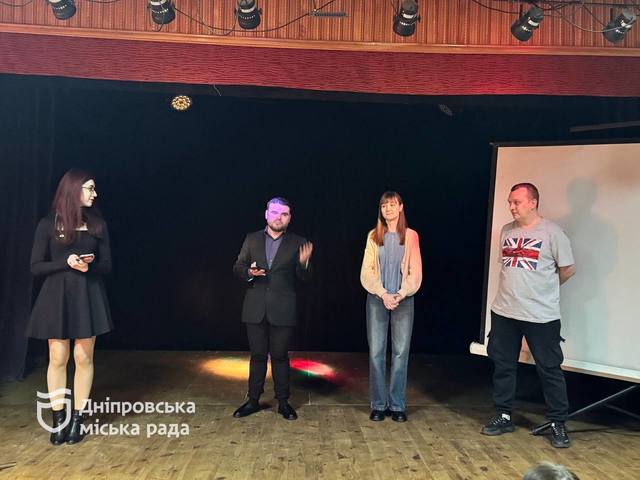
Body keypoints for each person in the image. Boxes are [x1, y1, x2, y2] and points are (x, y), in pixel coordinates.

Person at [482, 183, 576, 448]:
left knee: (549, 368)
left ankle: (557, 422)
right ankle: (503, 415)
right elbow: (508, 268)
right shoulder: (507, 231)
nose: (511, 207)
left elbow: (568, 269)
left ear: (533, 202)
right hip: (505, 311)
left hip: (541, 315)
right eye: (510, 202)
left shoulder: (553, 233)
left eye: (517, 202)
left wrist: (544, 290)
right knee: (504, 365)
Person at [27, 168, 113, 445]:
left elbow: (107, 265)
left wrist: (89, 266)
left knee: (84, 358)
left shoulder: (97, 224)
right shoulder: (48, 224)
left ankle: (78, 419)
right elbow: (36, 266)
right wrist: (65, 263)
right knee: (57, 358)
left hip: (87, 296)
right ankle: (58, 420)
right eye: (90, 188)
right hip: (56, 297)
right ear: (74, 189)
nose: (95, 194)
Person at [232, 197, 313, 421]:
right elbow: (238, 266)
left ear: (289, 218)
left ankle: (283, 402)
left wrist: (304, 263)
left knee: (279, 356)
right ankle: (253, 400)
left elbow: (306, 278)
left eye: (284, 214)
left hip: (283, 308)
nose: (279, 217)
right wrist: (249, 273)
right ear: (266, 214)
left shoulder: (298, 242)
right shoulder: (251, 239)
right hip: (255, 307)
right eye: (275, 212)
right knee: (258, 355)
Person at [360, 191, 422, 422]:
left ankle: (397, 405)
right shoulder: (373, 236)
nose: (388, 209)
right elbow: (366, 272)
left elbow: (416, 272)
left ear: (401, 207)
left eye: (392, 204)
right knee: (376, 353)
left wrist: (400, 294)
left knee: (400, 353)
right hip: (378, 300)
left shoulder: (411, 236)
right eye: (384, 205)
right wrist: (383, 293)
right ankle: (378, 404)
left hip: (403, 301)